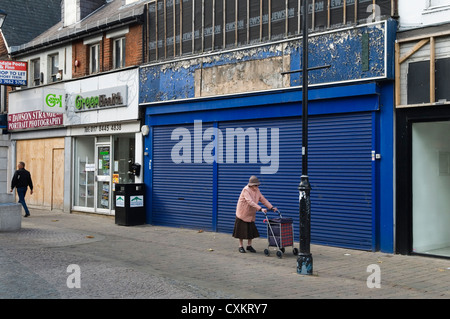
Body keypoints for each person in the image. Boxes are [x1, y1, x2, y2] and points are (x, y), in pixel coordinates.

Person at [232, 176, 277, 253]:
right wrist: (260, 209)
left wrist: (271, 207)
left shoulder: (257, 190)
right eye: (255, 185)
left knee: (251, 231)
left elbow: (263, 199)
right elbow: (250, 201)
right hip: (243, 213)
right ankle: (241, 246)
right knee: (241, 231)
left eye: (258, 185)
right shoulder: (246, 190)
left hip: (251, 213)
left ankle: (249, 246)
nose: (257, 186)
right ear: (251, 185)